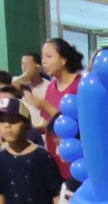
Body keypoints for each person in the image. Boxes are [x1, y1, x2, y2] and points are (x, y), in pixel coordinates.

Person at [28, 38, 84, 182]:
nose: (44, 62)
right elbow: (49, 123)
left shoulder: (80, 85)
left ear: (63, 59)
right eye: (42, 57)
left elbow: (76, 125)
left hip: (75, 157)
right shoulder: (51, 87)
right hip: (54, 155)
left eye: (49, 56)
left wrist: (44, 105)